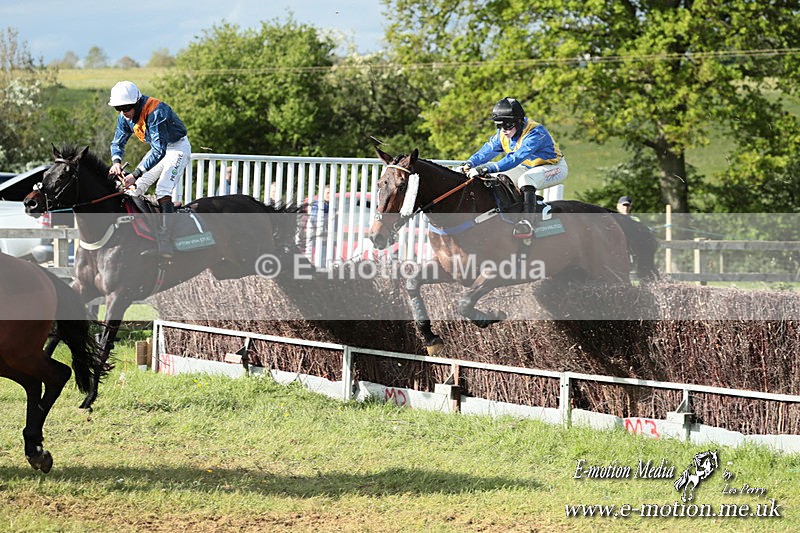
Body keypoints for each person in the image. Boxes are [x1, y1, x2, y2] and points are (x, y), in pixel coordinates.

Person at [459, 97, 568, 238]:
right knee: (496, 178)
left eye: (507, 125)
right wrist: (470, 163)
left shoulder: (535, 133)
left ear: (519, 121)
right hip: (526, 167)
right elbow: (488, 150)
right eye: (499, 125)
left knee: (526, 180)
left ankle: (527, 223)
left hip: (553, 167)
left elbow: (516, 158)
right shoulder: (504, 132)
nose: (503, 130)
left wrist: (486, 168)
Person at [107, 80, 191, 258]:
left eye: (127, 108)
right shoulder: (124, 116)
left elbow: (160, 151)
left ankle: (166, 239)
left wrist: (135, 174)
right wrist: (116, 161)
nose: (123, 113)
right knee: (134, 190)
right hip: (158, 150)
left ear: (137, 103)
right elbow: (117, 142)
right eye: (118, 109)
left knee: (162, 188)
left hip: (177, 148)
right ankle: (144, 233)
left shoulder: (156, 111)